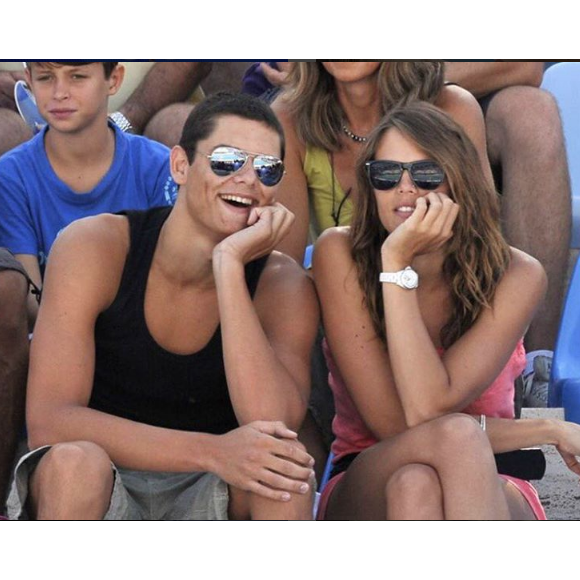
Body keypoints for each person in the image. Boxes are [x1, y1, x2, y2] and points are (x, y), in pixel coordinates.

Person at [7, 92, 320, 521]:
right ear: (180, 166)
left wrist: (228, 267)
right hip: (107, 470)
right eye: (228, 160)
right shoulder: (96, 247)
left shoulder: (282, 285)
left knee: (283, 481)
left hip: (213, 484)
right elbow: (50, 420)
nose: (248, 180)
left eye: (267, 170)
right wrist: (212, 451)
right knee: (74, 464)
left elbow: (274, 423)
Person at [314, 103, 580, 520]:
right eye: (386, 174)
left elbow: (430, 408)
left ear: (459, 182)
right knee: (444, 443)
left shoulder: (517, 273)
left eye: (425, 174)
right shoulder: (338, 253)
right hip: (369, 469)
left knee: (416, 487)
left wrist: (396, 267)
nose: (405, 189)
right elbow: (403, 422)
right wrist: (544, 429)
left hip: (492, 475)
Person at [0, 61, 178, 514]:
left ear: (113, 80)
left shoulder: (157, 167)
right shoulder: (11, 175)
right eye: (45, 78)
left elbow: (169, 286)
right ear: (28, 82)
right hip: (58, 363)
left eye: (77, 77)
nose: (59, 92)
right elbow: (32, 297)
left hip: (145, 359)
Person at [446, 61, 570, 403]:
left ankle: (536, 367)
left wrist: (400, 80)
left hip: (445, 93)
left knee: (531, 113)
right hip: (336, 99)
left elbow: (522, 66)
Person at [0, 61, 211, 154]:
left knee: (184, 127)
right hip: (14, 111)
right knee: (6, 131)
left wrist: (128, 118)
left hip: (151, 110)